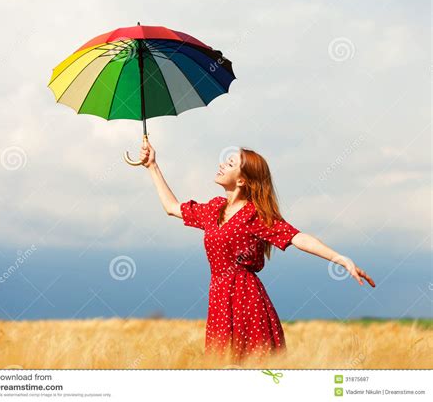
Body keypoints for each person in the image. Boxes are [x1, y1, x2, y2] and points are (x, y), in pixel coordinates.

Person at [139, 139, 375, 361]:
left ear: (242, 181)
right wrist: (152, 166)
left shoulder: (255, 215)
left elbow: (296, 237)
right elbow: (171, 207)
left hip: (246, 301)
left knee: (253, 370)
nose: (221, 164)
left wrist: (339, 258)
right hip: (219, 299)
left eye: (230, 164)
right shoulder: (214, 209)